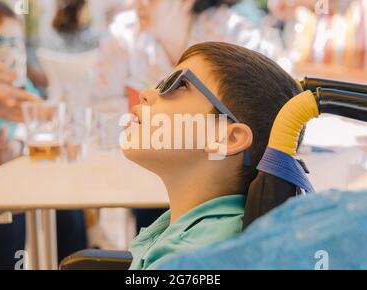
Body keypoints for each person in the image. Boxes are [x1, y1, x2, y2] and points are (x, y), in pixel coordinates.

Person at [122, 41, 303, 269]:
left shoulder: (191, 259)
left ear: (228, 138)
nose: (146, 94)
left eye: (178, 85)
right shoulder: (205, 232)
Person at [96, 0, 268, 233]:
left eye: (181, 85)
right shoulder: (123, 35)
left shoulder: (233, 33)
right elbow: (98, 105)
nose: (137, 3)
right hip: (143, 175)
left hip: (215, 182)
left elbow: (271, 100)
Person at [0, 0, 86, 270]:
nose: (8, 50)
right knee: (3, 203)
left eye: (15, 42)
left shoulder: (19, 83)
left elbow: (46, 119)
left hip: (11, 168)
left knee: (66, 202)